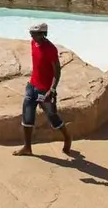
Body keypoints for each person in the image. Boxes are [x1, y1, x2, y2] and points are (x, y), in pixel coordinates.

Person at [13, 23, 73, 156]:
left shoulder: (50, 49)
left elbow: (57, 71)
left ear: (42, 34)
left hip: (45, 90)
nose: (31, 35)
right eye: (31, 33)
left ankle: (67, 137)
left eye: (34, 33)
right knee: (27, 117)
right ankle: (27, 147)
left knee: (52, 117)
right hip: (32, 86)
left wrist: (51, 90)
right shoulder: (33, 43)